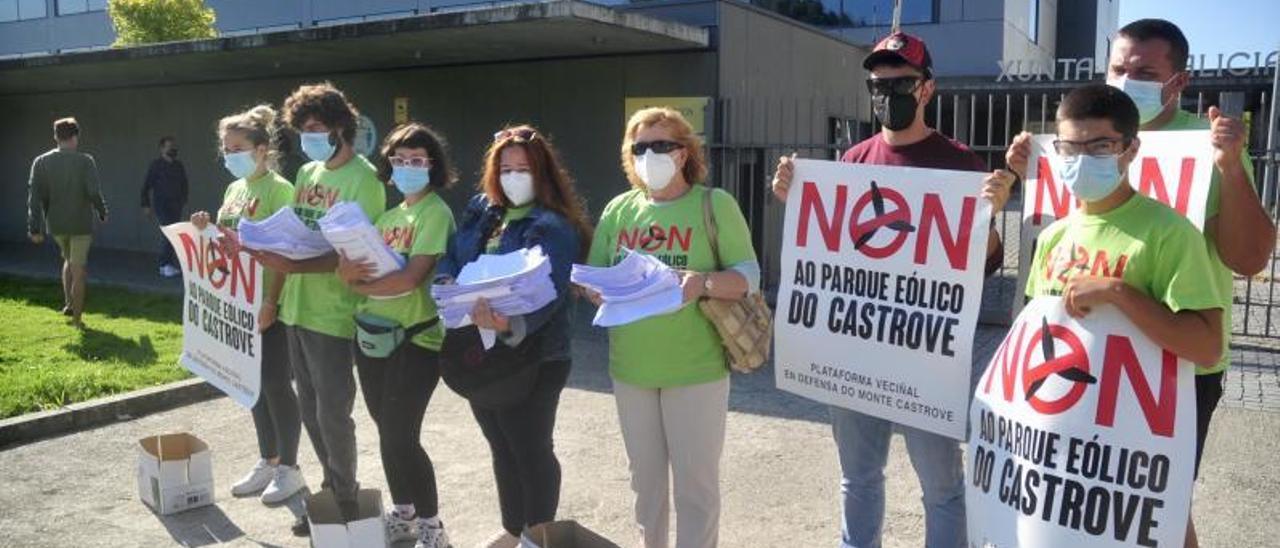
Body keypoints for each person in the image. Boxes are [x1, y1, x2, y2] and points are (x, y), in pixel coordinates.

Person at [1005, 19, 1277, 547]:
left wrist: (1232, 170)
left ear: (1178, 81)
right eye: (1119, 68)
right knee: (1099, 495)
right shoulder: (1080, 142)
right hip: (1087, 360)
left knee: (1160, 503)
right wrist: (1025, 171)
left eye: (1145, 71)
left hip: (1174, 363)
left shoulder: (1209, 143)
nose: (1127, 79)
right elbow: (1066, 237)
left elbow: (1250, 258)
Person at [769, 32, 1012, 548]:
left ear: (927, 89)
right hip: (857, 352)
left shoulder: (960, 163)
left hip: (925, 360)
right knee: (858, 478)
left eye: (900, 82)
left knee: (942, 487)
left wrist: (989, 216)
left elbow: (986, 264)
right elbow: (833, 251)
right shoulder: (852, 160)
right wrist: (798, 199)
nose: (886, 93)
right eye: (878, 83)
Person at [1024, 80, 1223, 493]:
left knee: (1161, 520)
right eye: (1070, 148)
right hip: (1069, 415)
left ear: (1131, 150)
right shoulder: (1052, 237)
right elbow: (1034, 336)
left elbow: (1207, 346)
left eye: (1100, 147)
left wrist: (1118, 293)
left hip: (1138, 430)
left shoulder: (1169, 233)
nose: (1081, 161)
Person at [584, 108, 759, 548]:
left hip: (695, 371)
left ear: (684, 153)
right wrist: (597, 291)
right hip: (632, 371)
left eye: (662, 145)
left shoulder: (713, 204)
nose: (650, 155)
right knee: (646, 489)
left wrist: (702, 283)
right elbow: (591, 276)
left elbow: (749, 277)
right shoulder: (619, 210)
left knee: (695, 490)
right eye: (640, 147)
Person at [435, 125, 592, 548]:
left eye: (524, 168)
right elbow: (453, 253)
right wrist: (447, 279)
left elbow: (552, 290)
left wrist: (510, 324)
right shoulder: (482, 210)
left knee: (530, 445)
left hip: (537, 354)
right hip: (481, 348)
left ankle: (537, 534)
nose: (513, 176)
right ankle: (513, 528)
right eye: (506, 168)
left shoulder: (555, 224)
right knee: (500, 442)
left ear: (543, 173)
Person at [248, 82, 386, 533]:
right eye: (302, 129)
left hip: (334, 313)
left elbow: (357, 255)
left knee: (332, 412)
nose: (308, 137)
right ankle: (329, 490)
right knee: (309, 409)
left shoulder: (364, 180)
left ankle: (345, 500)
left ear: (340, 126)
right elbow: (296, 234)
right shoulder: (309, 175)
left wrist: (294, 261)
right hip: (296, 309)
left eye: (316, 128)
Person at [335, 122, 457, 548]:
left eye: (417, 160)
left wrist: (357, 284)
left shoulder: (436, 213)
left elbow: (410, 279)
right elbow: (352, 267)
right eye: (399, 160)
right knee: (386, 429)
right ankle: (403, 515)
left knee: (401, 435)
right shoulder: (387, 217)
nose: (407, 167)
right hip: (372, 337)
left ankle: (431, 525)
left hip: (415, 340)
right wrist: (346, 271)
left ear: (433, 166)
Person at [189, 105, 308, 518]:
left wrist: (271, 302)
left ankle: (290, 467)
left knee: (276, 383)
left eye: (236, 148)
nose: (229, 155)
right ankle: (269, 459)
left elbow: (282, 250)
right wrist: (206, 229)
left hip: (269, 304)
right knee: (251, 385)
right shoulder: (234, 191)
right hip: (239, 304)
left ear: (262, 149)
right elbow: (230, 244)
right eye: (225, 149)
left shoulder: (280, 189)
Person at [26, 117, 109, 329]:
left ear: (56, 137)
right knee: (79, 269)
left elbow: (34, 197)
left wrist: (34, 228)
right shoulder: (85, 161)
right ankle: (77, 321)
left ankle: (69, 304)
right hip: (80, 225)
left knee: (67, 259)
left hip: (55, 225)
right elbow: (93, 192)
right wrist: (102, 212)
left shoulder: (40, 161)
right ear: (75, 137)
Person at [141, 135, 190, 278]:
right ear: (162, 148)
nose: (172, 149)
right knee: (169, 232)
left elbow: (184, 184)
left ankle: (167, 264)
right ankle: (164, 264)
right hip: (161, 205)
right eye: (169, 147)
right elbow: (146, 187)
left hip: (176, 205)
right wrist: (145, 205)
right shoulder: (156, 165)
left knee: (174, 234)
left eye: (174, 146)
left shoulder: (178, 165)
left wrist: (183, 199)